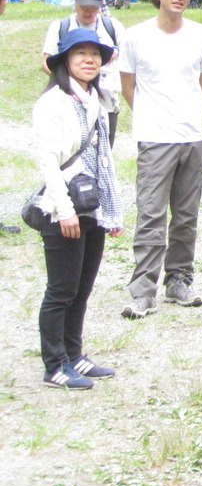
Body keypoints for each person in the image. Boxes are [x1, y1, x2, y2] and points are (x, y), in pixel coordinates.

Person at [118, 0, 202, 320]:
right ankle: (143, 291)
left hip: (194, 136)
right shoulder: (135, 36)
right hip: (154, 138)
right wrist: (152, 117)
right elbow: (128, 86)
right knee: (150, 214)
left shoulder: (201, 35)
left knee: (186, 215)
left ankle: (179, 280)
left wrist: (183, 114)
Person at [33, 28, 125, 389]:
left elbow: (105, 160)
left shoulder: (96, 100)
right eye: (80, 54)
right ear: (65, 61)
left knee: (82, 289)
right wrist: (64, 209)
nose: (89, 60)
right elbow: (48, 161)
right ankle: (54, 364)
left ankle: (75, 355)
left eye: (95, 54)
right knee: (61, 290)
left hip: (93, 208)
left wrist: (113, 212)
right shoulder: (53, 102)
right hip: (65, 209)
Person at [42, 0, 123, 146]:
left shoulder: (112, 27)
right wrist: (73, 81)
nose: (89, 11)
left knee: (104, 153)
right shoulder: (61, 26)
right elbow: (46, 61)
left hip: (105, 101)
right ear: (75, 1)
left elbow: (128, 60)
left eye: (94, 7)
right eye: (84, 5)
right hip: (69, 99)